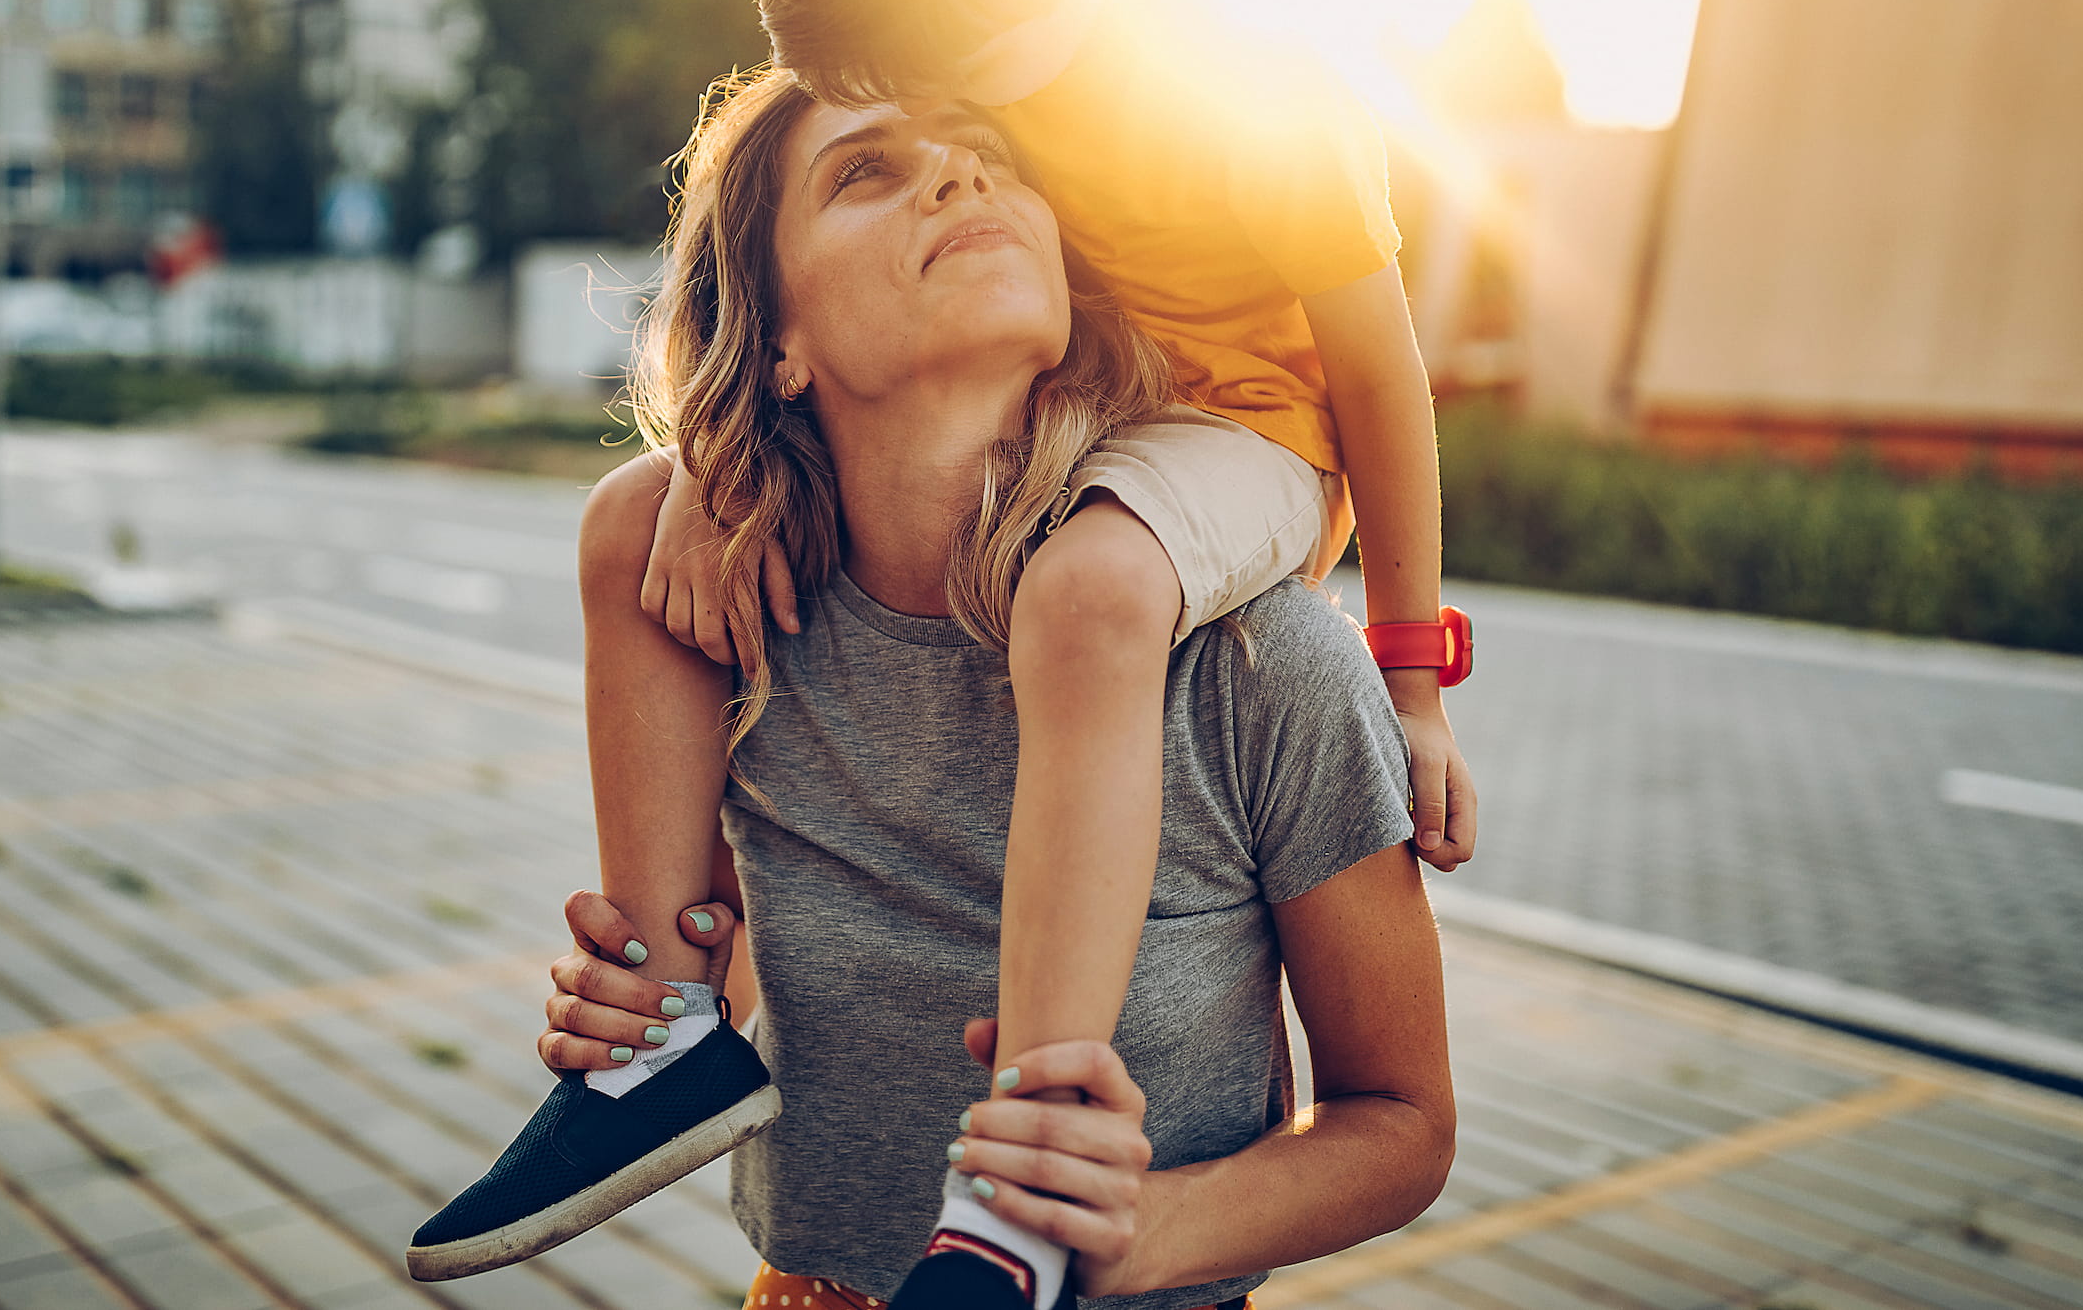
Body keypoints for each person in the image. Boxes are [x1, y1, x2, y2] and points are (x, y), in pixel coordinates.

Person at [629, 0, 1476, 1301]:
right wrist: (713, 458)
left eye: (963, 64)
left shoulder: (1247, 76)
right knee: (648, 521)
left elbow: (1381, 371)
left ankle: (1032, 1147)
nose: (955, 125)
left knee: (1089, 591)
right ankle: (646, 1068)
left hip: (1257, 442)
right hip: (1111, 424)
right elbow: (781, 233)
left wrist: (1412, 678)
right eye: (891, 96)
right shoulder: (945, 23)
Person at [412, 74, 1455, 1306]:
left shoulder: (1256, 666)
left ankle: (1014, 1215)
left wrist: (1147, 1228)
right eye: (866, 172)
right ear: (779, 337)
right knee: (624, 515)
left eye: (989, 154)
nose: (957, 177)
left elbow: (1403, 1122)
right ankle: (655, 1050)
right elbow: (787, 971)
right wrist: (659, 984)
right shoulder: (731, 610)